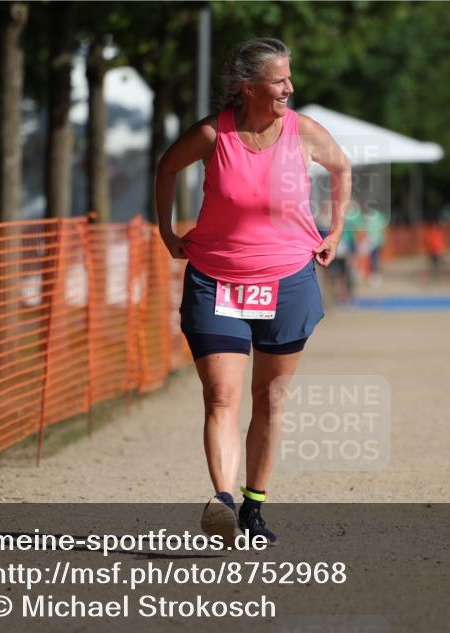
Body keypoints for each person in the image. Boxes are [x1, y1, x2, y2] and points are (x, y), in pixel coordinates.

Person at [154, 37, 351, 545]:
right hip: (216, 279)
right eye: (280, 80)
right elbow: (167, 168)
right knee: (220, 395)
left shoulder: (303, 132)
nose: (290, 87)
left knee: (269, 397)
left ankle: (253, 507)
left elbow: (342, 168)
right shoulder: (211, 134)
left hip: (287, 282)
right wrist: (166, 232)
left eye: (289, 78)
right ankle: (221, 500)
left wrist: (335, 231)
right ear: (248, 87)